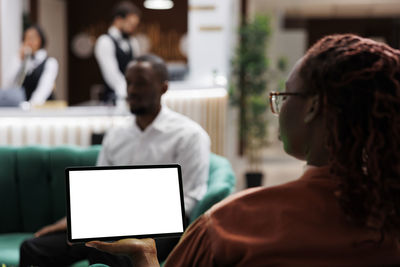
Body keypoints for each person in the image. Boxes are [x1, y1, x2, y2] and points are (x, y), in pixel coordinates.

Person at [86, 34, 400, 266]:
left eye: (285, 94)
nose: (277, 105)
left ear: (313, 107)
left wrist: (146, 255)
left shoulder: (233, 223)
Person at [19, 54, 210, 266]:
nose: (132, 90)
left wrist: (130, 217)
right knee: (33, 247)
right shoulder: (116, 134)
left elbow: (191, 200)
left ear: (164, 88)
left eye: (141, 83)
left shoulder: (190, 135)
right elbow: (98, 192)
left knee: (108, 252)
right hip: (108, 223)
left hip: (160, 229)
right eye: (129, 82)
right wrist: (73, 221)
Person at [94, 1, 142, 105]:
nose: (133, 28)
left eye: (135, 25)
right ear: (118, 20)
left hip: (132, 97)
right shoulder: (104, 41)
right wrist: (128, 93)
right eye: (130, 24)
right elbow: (112, 75)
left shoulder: (133, 42)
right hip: (113, 99)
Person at [4, 25, 58, 106]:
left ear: (41, 40)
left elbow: (44, 89)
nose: (29, 42)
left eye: (33, 38)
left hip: (43, 108)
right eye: (26, 38)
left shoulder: (50, 62)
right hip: (23, 109)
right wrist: (19, 60)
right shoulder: (22, 61)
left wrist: (31, 106)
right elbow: (8, 85)